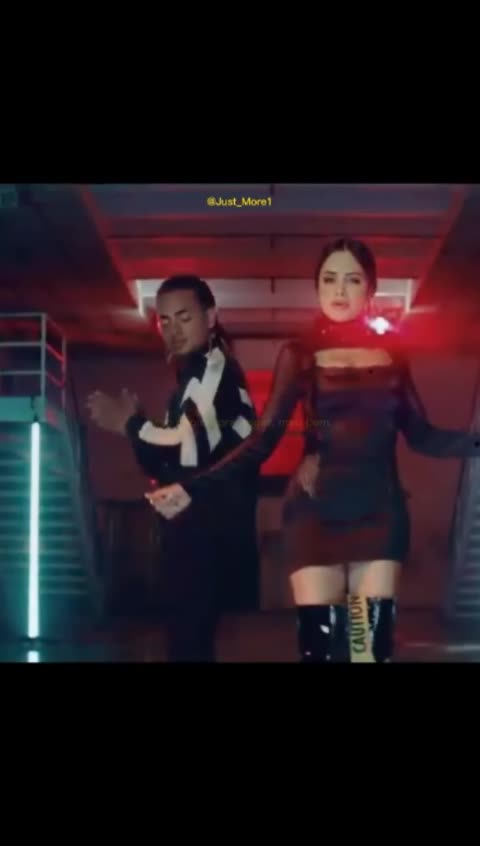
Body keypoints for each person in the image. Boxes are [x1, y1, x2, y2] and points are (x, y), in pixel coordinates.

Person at [147, 239, 480, 663]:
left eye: (352, 280)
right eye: (329, 279)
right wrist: (194, 486)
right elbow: (264, 439)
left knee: (368, 652)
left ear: (370, 288)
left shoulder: (394, 355)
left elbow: (422, 435)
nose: (339, 290)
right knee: (321, 652)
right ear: (317, 287)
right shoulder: (299, 353)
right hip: (314, 517)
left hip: (380, 515)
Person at [87, 275, 259, 662]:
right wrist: (136, 427)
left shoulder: (213, 370)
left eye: (184, 317)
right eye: (164, 320)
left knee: (189, 641)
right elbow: (166, 460)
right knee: (186, 641)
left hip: (209, 530)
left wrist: (131, 424)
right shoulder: (194, 376)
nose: (173, 330)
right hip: (197, 527)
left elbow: (183, 443)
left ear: (210, 317)